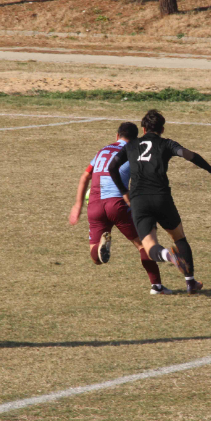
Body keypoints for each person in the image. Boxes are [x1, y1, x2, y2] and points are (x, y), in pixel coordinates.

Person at [108, 109, 211, 294]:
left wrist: (124, 192)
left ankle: (169, 257)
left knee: (150, 246)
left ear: (143, 128)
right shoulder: (167, 144)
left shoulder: (131, 146)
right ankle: (190, 282)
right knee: (179, 237)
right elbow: (189, 155)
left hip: (139, 200)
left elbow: (112, 166)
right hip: (161, 197)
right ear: (162, 129)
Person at [69, 123, 172, 294]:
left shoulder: (102, 150)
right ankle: (157, 286)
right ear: (136, 138)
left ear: (117, 136)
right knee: (142, 245)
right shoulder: (134, 150)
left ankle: (100, 248)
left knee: (95, 259)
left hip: (94, 204)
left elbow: (86, 175)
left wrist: (77, 205)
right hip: (117, 203)